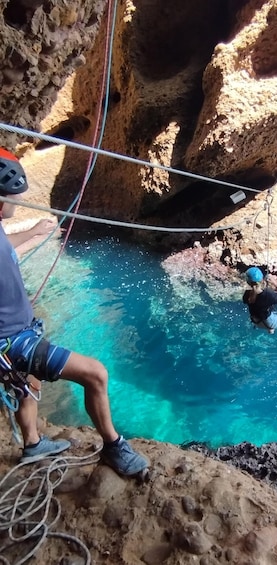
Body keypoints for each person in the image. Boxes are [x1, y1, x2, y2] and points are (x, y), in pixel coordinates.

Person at [0, 148, 149, 476]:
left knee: (30, 384)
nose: (18, 203)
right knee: (95, 374)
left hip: (18, 333)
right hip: (13, 342)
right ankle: (113, 447)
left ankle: (33, 445)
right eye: (14, 198)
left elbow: (6, 244)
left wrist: (36, 232)